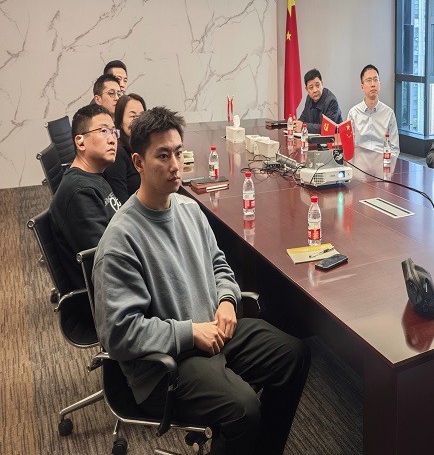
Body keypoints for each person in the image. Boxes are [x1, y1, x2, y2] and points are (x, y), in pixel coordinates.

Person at [93, 107, 310, 454]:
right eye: (163, 156)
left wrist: (227, 300)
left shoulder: (189, 209)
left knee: (294, 355)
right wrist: (190, 332)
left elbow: (220, 265)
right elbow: (119, 334)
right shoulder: (121, 240)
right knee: (243, 410)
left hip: (213, 334)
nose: (175, 165)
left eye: (178, 153)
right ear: (138, 162)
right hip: (167, 365)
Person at [50, 103, 122, 290]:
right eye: (104, 131)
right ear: (80, 142)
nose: (112, 139)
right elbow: (107, 262)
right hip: (108, 296)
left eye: (114, 132)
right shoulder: (80, 192)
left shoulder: (95, 177)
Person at [103, 93, 146, 203]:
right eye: (133, 116)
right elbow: (121, 201)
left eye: (142, 116)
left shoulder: (140, 145)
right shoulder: (117, 152)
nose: (139, 121)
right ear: (120, 121)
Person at [347, 64, 399, 154]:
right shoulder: (353, 113)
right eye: (369, 80)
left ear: (380, 85)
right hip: (360, 160)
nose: (373, 84)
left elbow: (394, 149)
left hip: (382, 159)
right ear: (362, 87)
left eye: (376, 80)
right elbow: (348, 145)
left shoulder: (389, 113)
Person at [293, 68, 343, 134]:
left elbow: (328, 128)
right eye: (311, 87)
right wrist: (296, 124)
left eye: (317, 85)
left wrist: (303, 126)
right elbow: (303, 117)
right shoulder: (309, 98)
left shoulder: (331, 101)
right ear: (307, 90)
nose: (315, 90)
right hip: (314, 139)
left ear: (322, 84)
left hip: (333, 139)